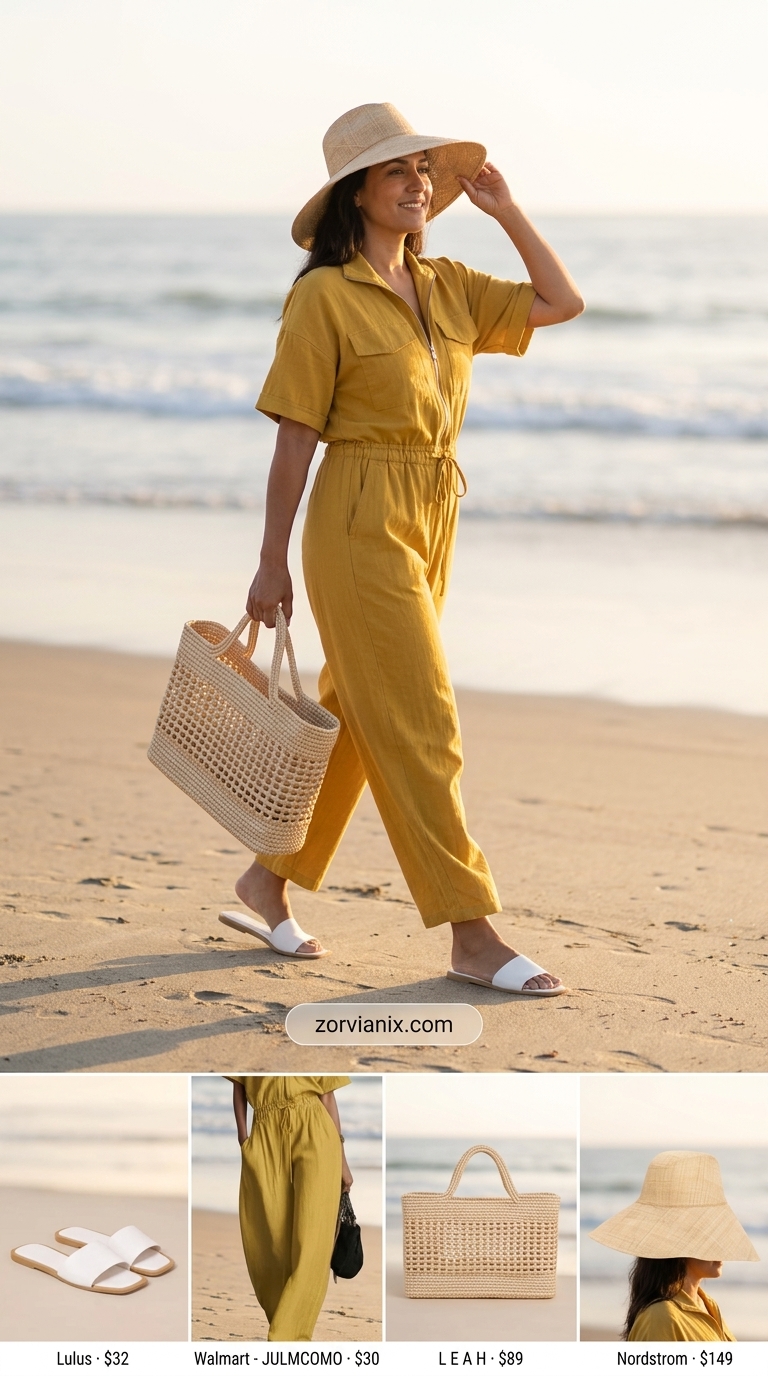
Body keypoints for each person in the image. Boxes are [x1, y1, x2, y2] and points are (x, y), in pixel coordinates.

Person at [227, 103, 584, 995]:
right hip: (356, 516)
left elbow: (559, 302)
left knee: (354, 717)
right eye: (398, 172)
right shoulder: (324, 295)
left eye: (425, 170)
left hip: (432, 511)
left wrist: (506, 210)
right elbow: (295, 438)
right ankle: (471, 932)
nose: (418, 183)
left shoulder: (453, 285)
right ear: (357, 194)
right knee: (422, 719)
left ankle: (265, 881)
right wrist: (271, 561)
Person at [227, 1075, 353, 1341]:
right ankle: (283, 1317)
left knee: (312, 1237)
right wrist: (243, 1138)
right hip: (264, 1131)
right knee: (268, 1234)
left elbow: (327, 1095)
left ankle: (288, 1335)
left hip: (315, 1129)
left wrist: (342, 1160)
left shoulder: (310, 1042)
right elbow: (239, 1085)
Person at [589, 1150, 759, 1341]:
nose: (721, 1242)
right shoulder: (661, 1318)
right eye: (709, 1231)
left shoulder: (707, 1305)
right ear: (679, 1238)